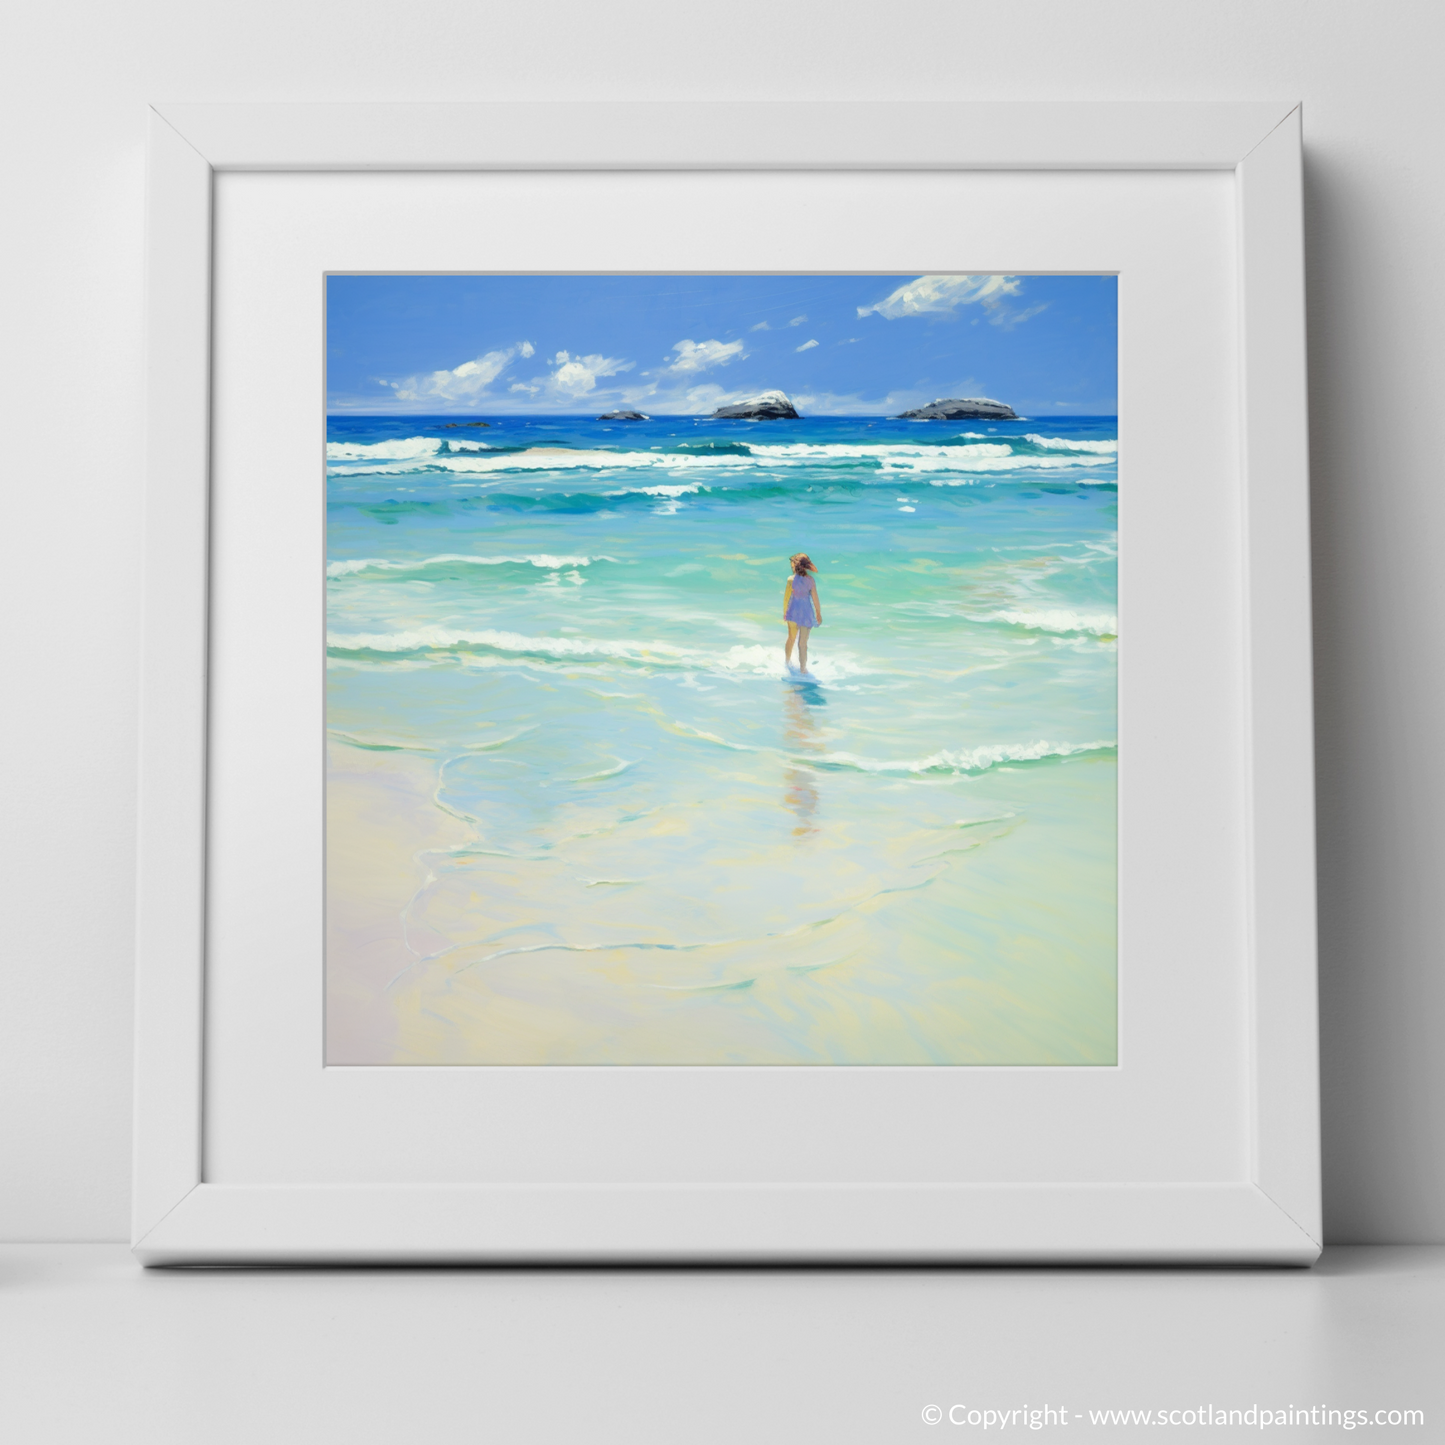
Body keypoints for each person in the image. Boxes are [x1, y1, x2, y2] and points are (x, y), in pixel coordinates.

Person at [782, 553, 822, 672]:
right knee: (803, 644)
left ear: (795, 565)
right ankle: (803, 669)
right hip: (807, 614)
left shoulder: (791, 580)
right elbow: (815, 599)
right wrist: (818, 613)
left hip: (793, 613)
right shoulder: (810, 580)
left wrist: (785, 612)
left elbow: (786, 599)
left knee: (791, 638)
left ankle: (787, 662)